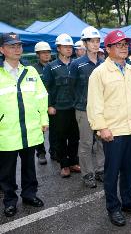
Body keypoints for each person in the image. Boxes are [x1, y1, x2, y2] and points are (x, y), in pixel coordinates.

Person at [87, 29, 131, 227]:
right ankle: (113, 207)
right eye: (119, 45)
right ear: (108, 49)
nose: (124, 48)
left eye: (125, 45)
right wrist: (101, 127)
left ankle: (129, 202)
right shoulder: (99, 73)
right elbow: (94, 104)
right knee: (112, 172)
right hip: (113, 132)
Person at [0, 33, 48, 217]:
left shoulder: (31, 71)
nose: (17, 49)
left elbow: (42, 97)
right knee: (7, 171)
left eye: (19, 45)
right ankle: (10, 201)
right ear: (2, 49)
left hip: (30, 129)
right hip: (6, 131)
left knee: (29, 167)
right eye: (12, 46)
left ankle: (30, 195)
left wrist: (43, 120)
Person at [69, 26, 105, 188]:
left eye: (97, 41)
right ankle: (87, 174)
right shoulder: (76, 64)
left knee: (101, 142)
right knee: (85, 143)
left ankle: (100, 170)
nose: (95, 44)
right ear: (84, 43)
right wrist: (80, 103)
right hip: (83, 109)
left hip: (101, 110)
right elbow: (72, 86)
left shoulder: (104, 64)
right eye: (92, 41)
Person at [43, 33, 80, 178]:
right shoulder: (51, 67)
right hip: (59, 108)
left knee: (74, 137)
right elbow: (46, 88)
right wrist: (50, 105)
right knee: (60, 137)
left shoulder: (76, 64)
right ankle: (64, 165)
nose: (69, 49)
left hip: (75, 107)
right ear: (58, 48)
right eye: (65, 47)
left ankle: (73, 162)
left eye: (70, 47)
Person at [32, 41, 53, 165]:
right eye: (43, 52)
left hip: (52, 102)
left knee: (54, 129)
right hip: (38, 104)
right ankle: (41, 153)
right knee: (40, 129)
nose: (46, 55)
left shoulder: (53, 66)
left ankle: (54, 151)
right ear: (37, 54)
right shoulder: (33, 69)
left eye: (48, 52)